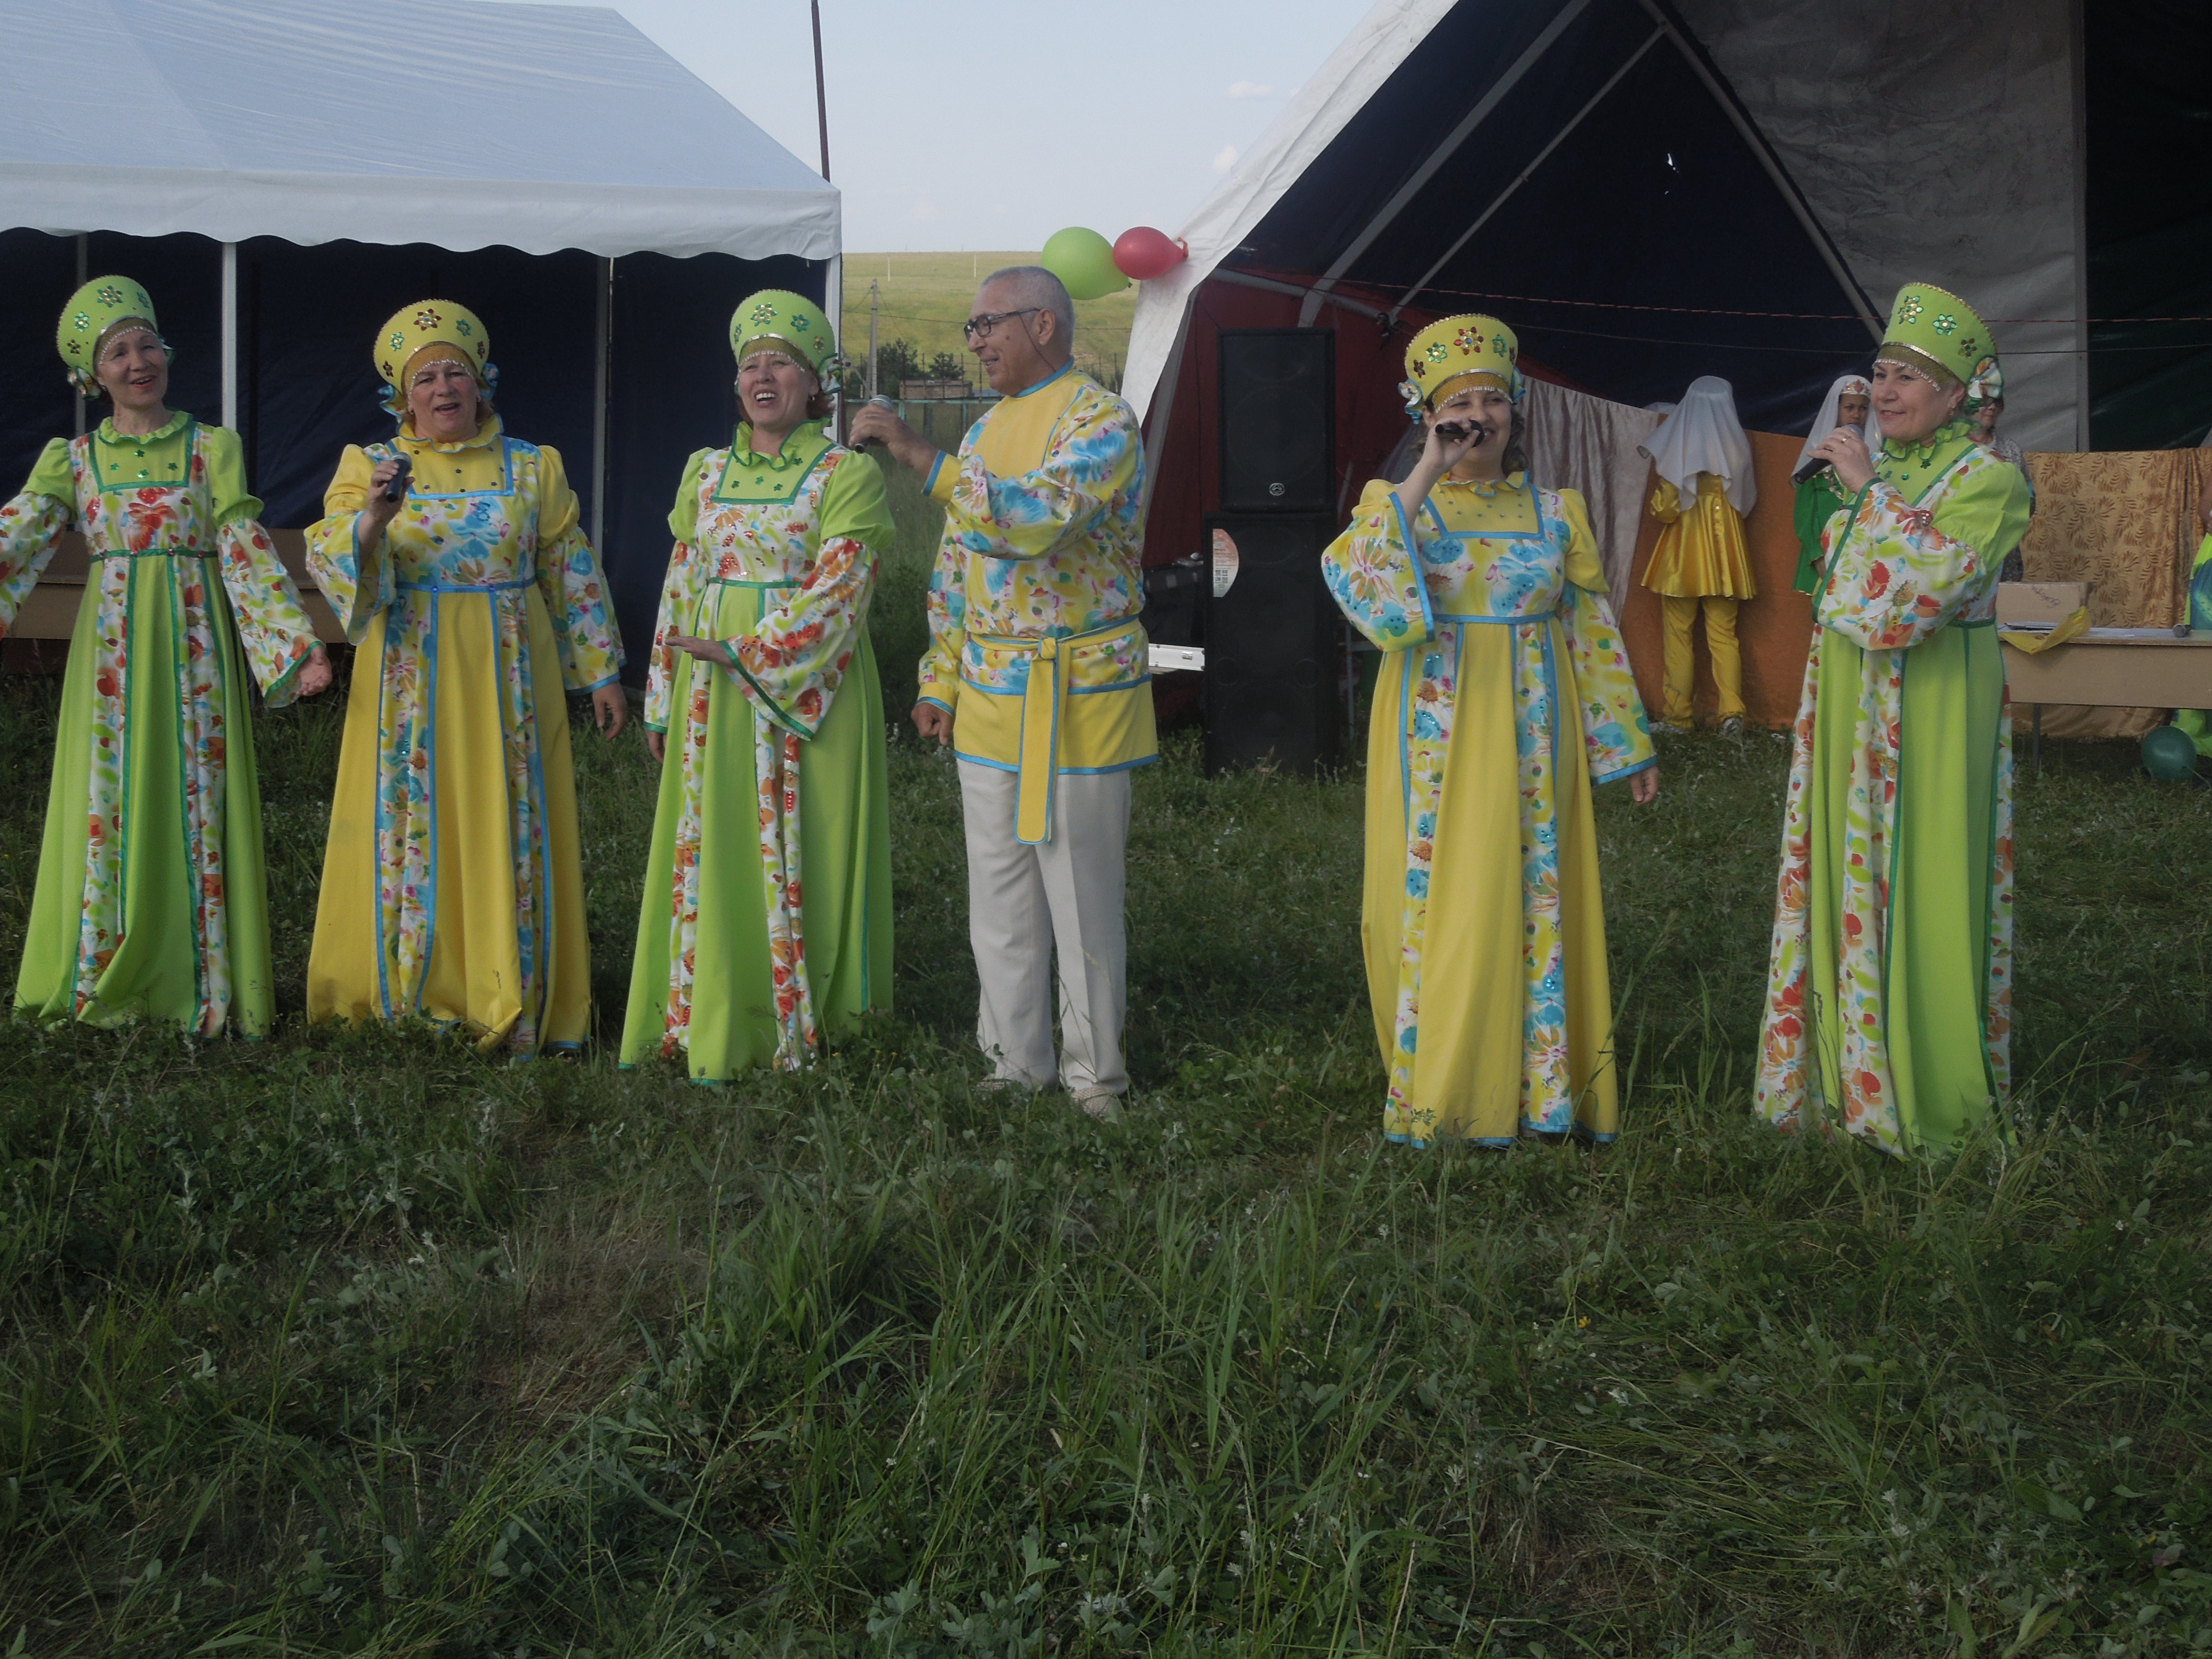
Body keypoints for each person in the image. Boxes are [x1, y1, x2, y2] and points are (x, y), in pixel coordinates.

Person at [1322, 315, 1659, 1147]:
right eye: (1457, 401)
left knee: (1535, 889)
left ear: (1514, 412)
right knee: (1449, 895)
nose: (1479, 413)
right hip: (1437, 729)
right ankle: (1448, 1087)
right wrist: (1426, 467)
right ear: (1428, 415)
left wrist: (1625, 741)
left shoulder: (1555, 511)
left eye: (1492, 399)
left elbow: (1588, 628)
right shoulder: (1396, 505)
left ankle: (1543, 1090)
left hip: (1537, 735)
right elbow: (1357, 581)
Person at [849, 266, 1153, 1120]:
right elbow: (958, 568)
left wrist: (918, 454)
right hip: (987, 691)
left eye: (985, 325)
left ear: (1043, 324)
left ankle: (1097, 1076)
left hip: (1080, 690)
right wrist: (938, 676)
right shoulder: (983, 432)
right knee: (999, 890)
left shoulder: (1100, 419)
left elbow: (1035, 522)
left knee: (1082, 892)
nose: (975, 342)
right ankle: (1016, 1061)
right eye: (971, 328)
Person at [0, 276, 331, 1034]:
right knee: (106, 797)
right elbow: (15, 538)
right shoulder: (73, 460)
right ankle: (104, 968)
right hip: (112, 654)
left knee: (196, 791)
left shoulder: (213, 447)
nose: (137, 361)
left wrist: (294, 645)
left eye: (146, 343)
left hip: (195, 648)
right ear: (93, 375)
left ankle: (199, 979)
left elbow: (243, 547)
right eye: (117, 352)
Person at [305, 299, 625, 1054]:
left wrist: (604, 671)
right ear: (402, 396)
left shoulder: (531, 465)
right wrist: (375, 520)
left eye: (457, 372)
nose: (444, 388)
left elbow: (567, 566)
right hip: (410, 676)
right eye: (426, 378)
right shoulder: (369, 467)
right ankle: (414, 982)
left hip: (511, 674)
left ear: (482, 384)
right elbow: (330, 549)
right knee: (414, 818)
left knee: (511, 818)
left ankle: (507, 984)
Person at [1756, 282, 2032, 1154]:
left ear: (1958, 395)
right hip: (1847, 696)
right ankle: (1837, 1078)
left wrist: (1867, 491)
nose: (1883, 392)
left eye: (1907, 377)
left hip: (1933, 698)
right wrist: (1862, 494)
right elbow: (1832, 590)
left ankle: (1924, 1084)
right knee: (1843, 866)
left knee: (1921, 871)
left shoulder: (1988, 479)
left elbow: (1920, 596)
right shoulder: (1871, 477)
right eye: (1878, 373)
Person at [621, 291, 895, 1078]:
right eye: (750, 364)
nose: (763, 374)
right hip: (712, 691)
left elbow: (844, 588)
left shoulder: (846, 473)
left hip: (813, 686)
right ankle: (712, 1005)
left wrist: (747, 650)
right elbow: (684, 578)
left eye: (783, 362)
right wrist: (664, 689)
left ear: (815, 387)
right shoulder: (703, 473)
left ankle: (817, 1019)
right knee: (715, 845)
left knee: (813, 840)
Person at [1639, 377, 1757, 733]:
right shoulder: (1738, 448)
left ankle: (1679, 717)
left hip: (1682, 553)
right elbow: (1747, 501)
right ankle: (1733, 714)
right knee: (1724, 634)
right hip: (1727, 551)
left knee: (1679, 633)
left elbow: (1665, 510)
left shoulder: (1680, 448)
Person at [1791, 374, 1873, 596]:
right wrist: (1818, 558)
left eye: (1864, 408)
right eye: (1850, 407)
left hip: (1866, 557)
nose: (1856, 415)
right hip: (1824, 556)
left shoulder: (1876, 457)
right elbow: (1804, 514)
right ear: (1836, 409)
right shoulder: (1818, 457)